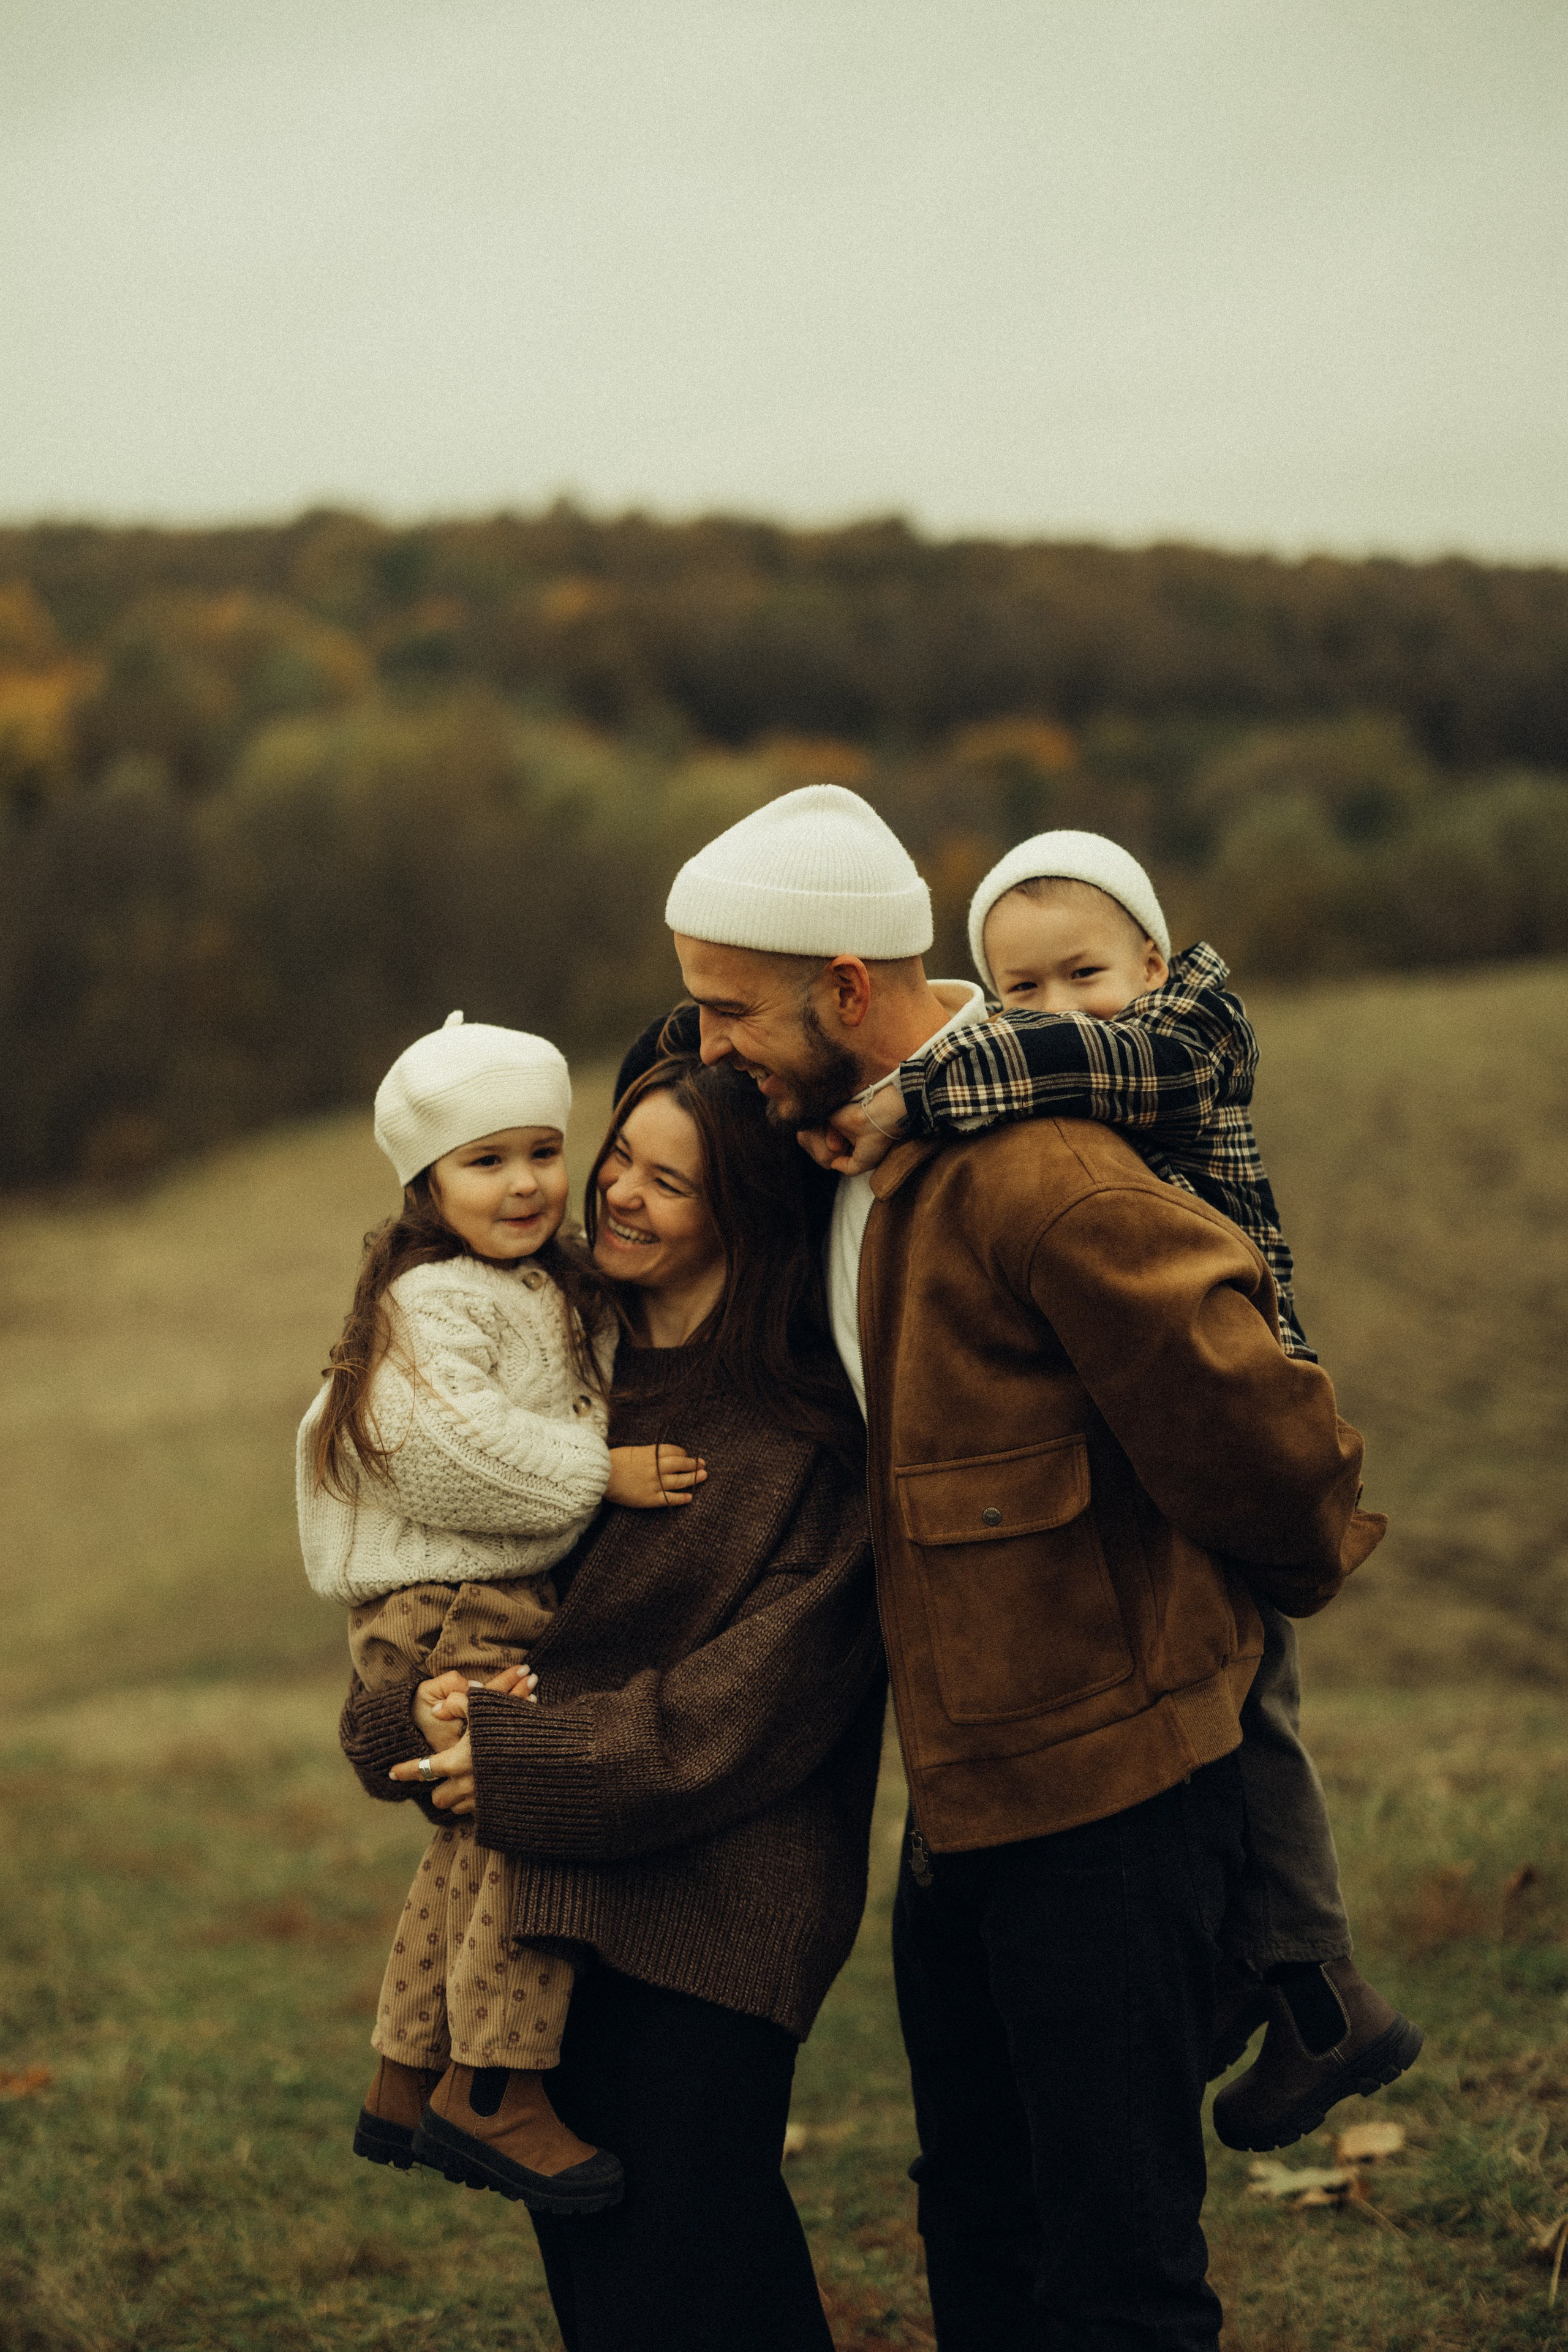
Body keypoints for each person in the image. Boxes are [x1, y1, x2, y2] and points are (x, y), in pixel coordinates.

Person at [665, 783, 1387, 2352]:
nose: (702, 1037)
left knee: (1115, 2268)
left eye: (725, 1007)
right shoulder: (839, 1154)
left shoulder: (1041, 1176)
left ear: (845, 990)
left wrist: (1255, 1594)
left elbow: (1272, 1444)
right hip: (963, 1807)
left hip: (1115, 1813)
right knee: (976, 2222)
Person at [793, 827, 1422, 2155]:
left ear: (1150, 956)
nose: (1055, 1007)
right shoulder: (1025, 1068)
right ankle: (1287, 1984)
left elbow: (1085, 1056)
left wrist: (924, 1087)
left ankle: (1311, 1977)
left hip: (1244, 1376)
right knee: (1239, 1696)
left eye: (1082, 970)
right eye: (1016, 986)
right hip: (1147, 1408)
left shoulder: (1187, 1030)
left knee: (1248, 1697)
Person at [338, 1047, 884, 2352]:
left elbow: (755, 1705)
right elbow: (418, 1595)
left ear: (745, 1215)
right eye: (618, 1159)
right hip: (533, 1906)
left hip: (713, 1913)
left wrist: (521, 1759)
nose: (619, 1196)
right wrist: (400, 1719)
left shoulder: (805, 1431)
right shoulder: (543, 1385)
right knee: (598, 2284)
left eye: (671, 1183)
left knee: (699, 2273)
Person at [297, 1010, 706, 2214]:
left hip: (473, 1595)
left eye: (540, 1150)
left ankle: (403, 2070)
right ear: (427, 1184)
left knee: (470, 1839)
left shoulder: (532, 1281)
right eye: (485, 1161)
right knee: (522, 1813)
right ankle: (495, 2081)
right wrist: (604, 1472)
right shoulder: (436, 1300)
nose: (524, 1182)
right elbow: (441, 1452)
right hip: (448, 1606)